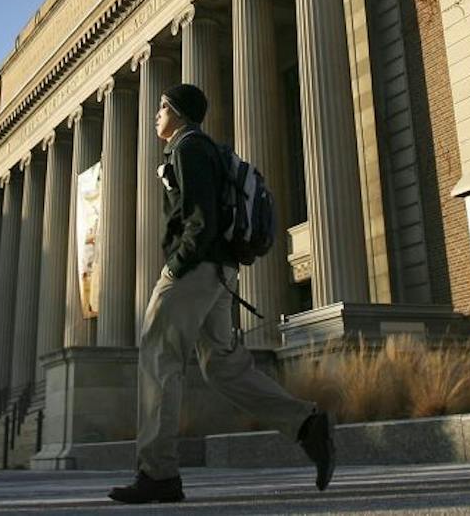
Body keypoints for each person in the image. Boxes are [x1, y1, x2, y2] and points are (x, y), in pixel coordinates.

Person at [109, 82, 335, 504]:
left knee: (159, 358)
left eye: (162, 106)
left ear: (177, 111)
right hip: (219, 274)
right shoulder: (206, 148)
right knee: (224, 367)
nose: (156, 112)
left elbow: (200, 218)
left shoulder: (187, 147)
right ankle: (306, 425)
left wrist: (177, 265)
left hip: (194, 271)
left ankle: (158, 473)